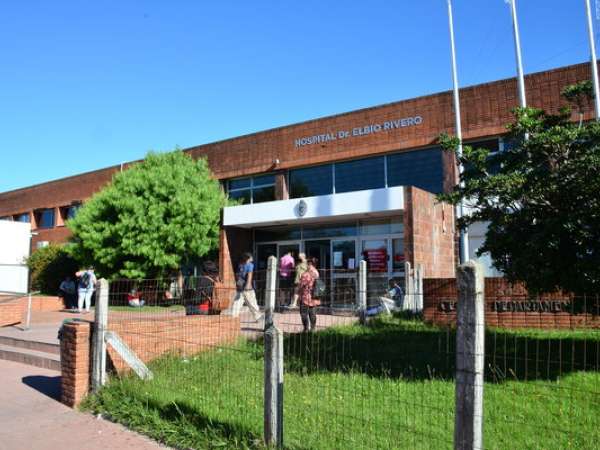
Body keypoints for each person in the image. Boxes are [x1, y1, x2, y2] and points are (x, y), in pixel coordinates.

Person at [229, 252, 263, 322]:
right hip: (248, 288)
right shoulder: (250, 265)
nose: (252, 258)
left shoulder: (240, 265)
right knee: (252, 303)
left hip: (240, 287)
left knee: (237, 303)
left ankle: (233, 317)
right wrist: (248, 285)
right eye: (251, 257)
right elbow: (250, 275)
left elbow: (238, 276)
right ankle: (258, 317)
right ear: (248, 258)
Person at [298, 257, 320, 332]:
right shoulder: (316, 272)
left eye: (306, 264)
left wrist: (299, 294)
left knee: (303, 313)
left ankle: (306, 328)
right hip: (314, 295)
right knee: (312, 313)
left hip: (306, 296)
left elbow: (301, 285)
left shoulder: (306, 274)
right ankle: (313, 328)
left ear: (309, 264)